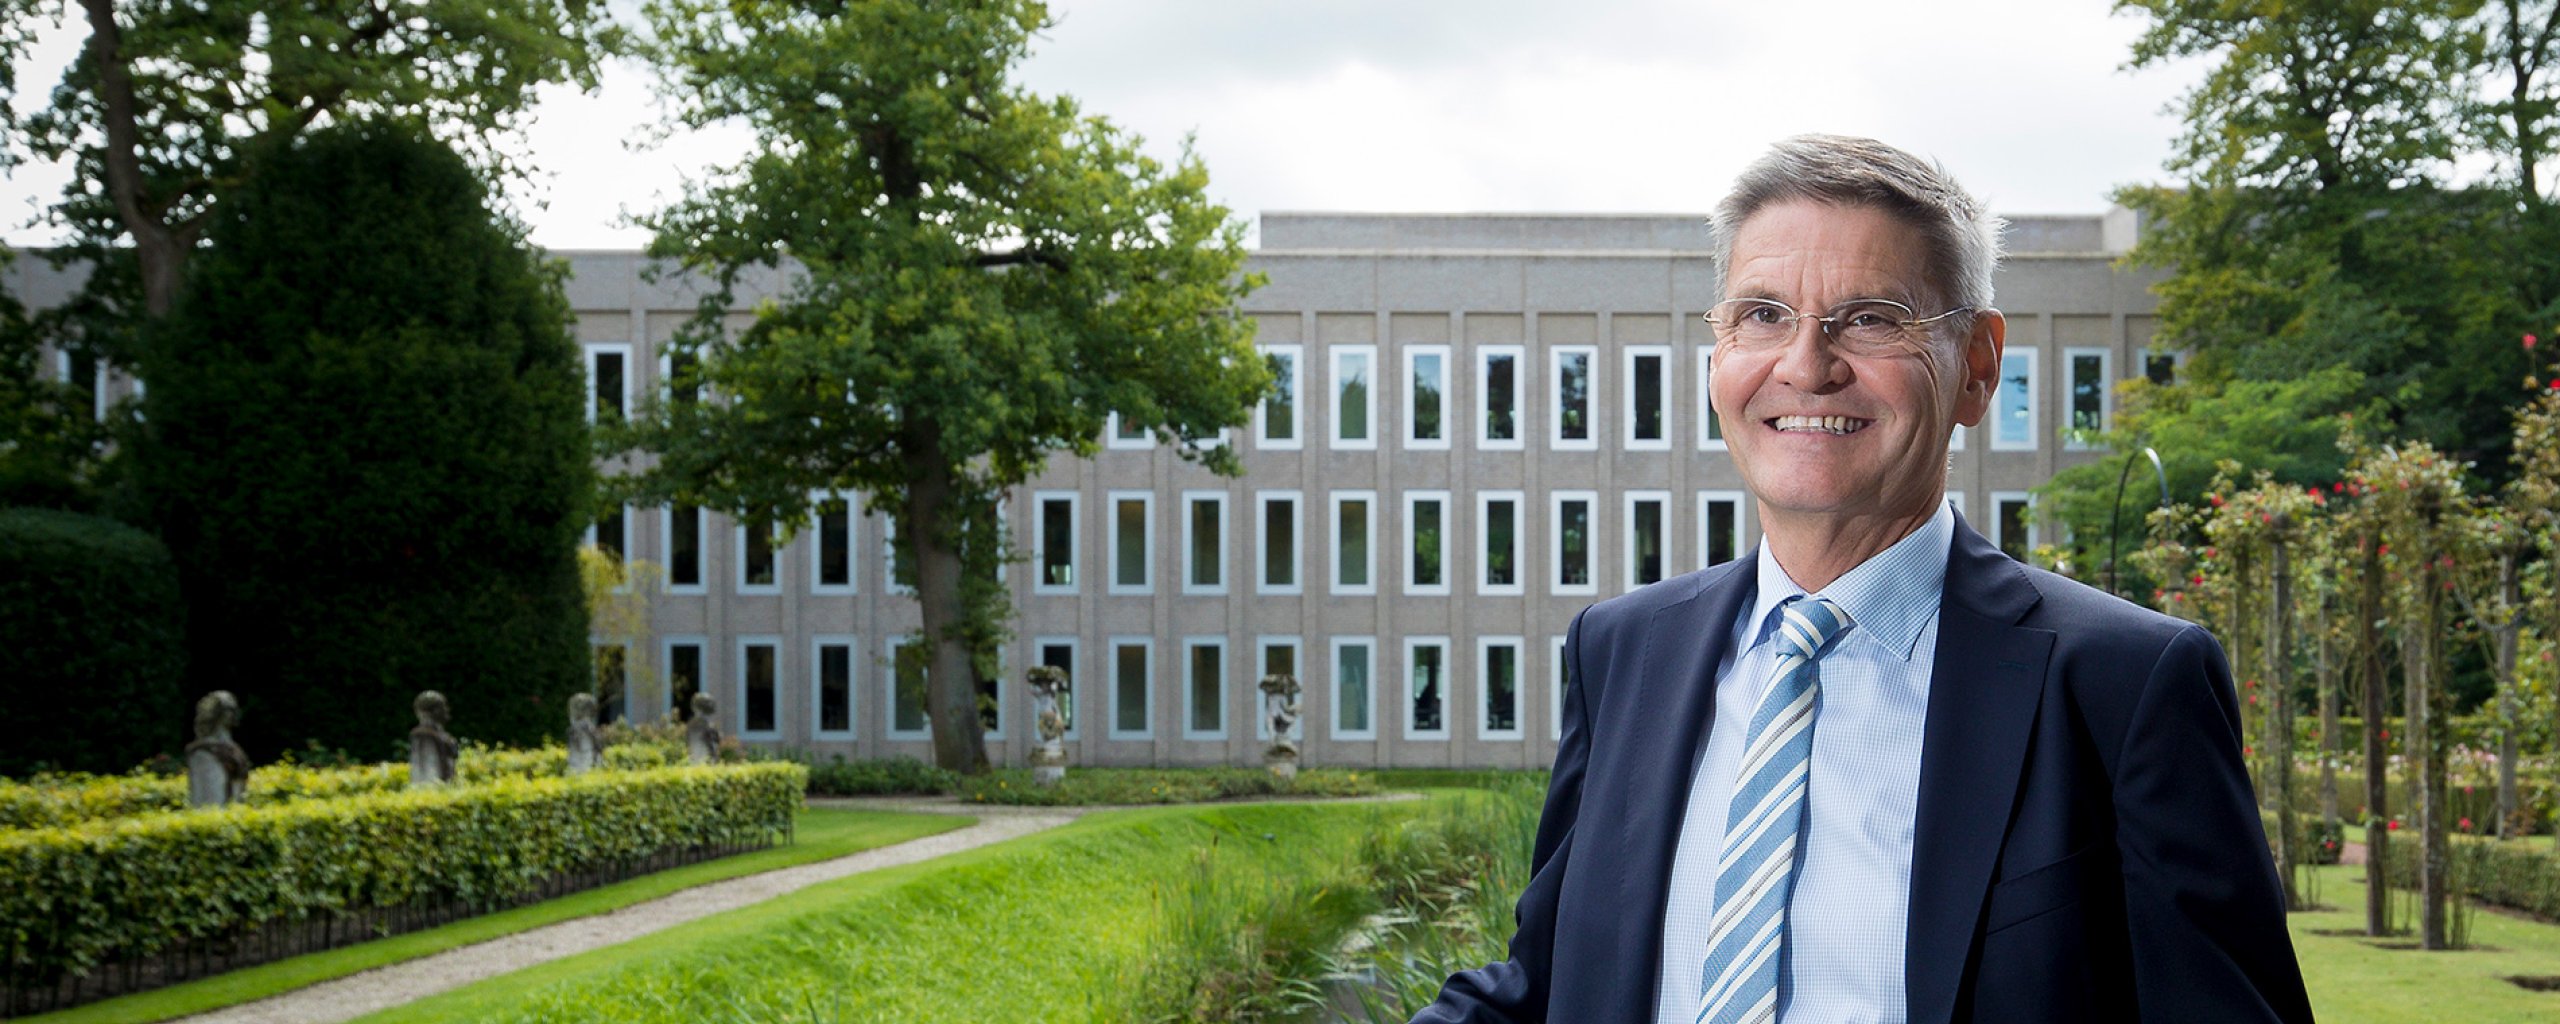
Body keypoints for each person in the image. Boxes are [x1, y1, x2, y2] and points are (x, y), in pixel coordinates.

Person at [1408, 135, 2312, 1024]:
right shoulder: (1623, 650)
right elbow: (1550, 979)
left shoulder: (2123, 684)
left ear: (1978, 368)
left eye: (1872, 317)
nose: (1807, 366)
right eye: (1762, 314)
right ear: (1717, 356)